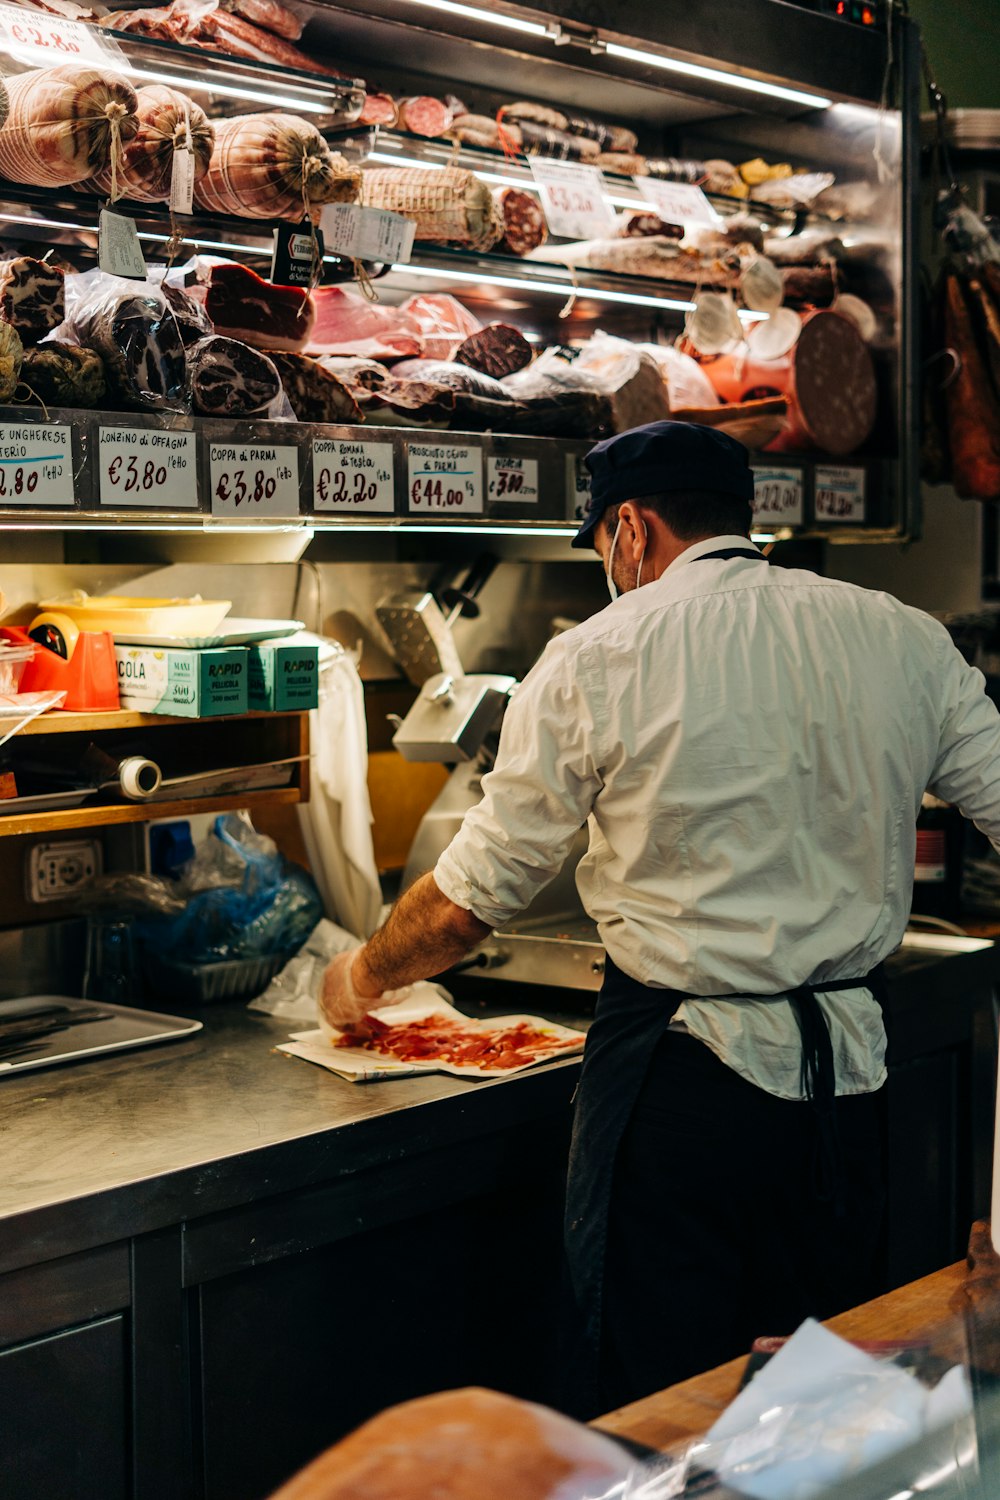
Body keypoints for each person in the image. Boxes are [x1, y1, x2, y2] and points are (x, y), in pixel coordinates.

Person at [320, 419, 1000, 1417]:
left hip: (682, 1084)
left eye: (600, 544)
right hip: (847, 1077)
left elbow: (472, 901)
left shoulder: (598, 655)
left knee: (662, 1395)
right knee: (818, 1391)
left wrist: (362, 975)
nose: (607, 565)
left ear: (631, 530)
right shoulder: (899, 634)